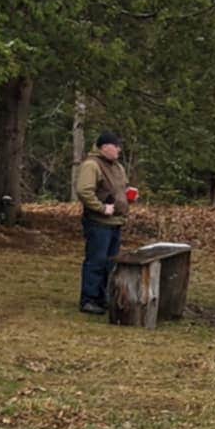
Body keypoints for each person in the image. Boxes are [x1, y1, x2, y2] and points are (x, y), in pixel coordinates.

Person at [74, 130, 130, 314]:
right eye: (116, 146)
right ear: (105, 147)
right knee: (96, 261)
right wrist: (101, 207)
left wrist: (128, 196)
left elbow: (119, 189)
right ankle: (88, 299)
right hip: (98, 222)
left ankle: (103, 297)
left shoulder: (117, 167)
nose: (119, 149)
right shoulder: (92, 165)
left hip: (116, 222)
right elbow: (84, 191)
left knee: (110, 263)